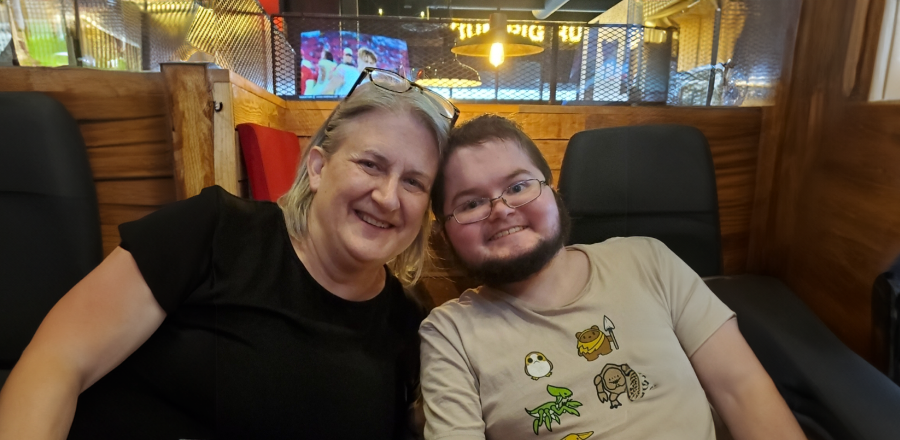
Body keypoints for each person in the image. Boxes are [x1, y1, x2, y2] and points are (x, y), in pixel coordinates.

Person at [0, 69, 459, 439]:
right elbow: (57, 362)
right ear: (318, 168)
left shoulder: (410, 323)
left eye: (413, 182)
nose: (387, 197)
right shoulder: (216, 229)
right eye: (371, 164)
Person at [419, 115, 806, 440]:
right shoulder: (450, 334)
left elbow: (741, 389)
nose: (501, 209)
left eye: (518, 186)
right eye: (471, 203)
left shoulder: (647, 259)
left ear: (552, 191)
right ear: (445, 232)